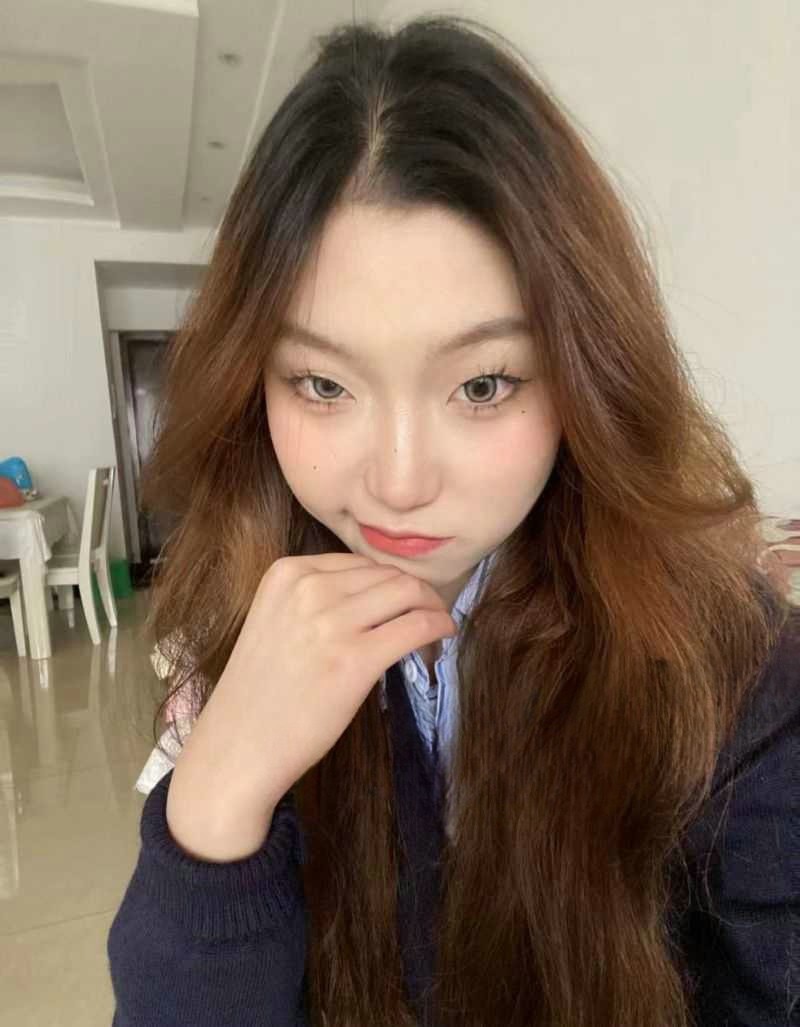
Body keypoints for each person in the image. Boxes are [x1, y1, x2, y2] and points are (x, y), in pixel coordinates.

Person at [106, 15, 798, 1027]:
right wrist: (216, 801)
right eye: (322, 383)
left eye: (480, 384)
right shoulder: (240, 624)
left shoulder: (740, 679)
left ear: (584, 372)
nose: (397, 483)